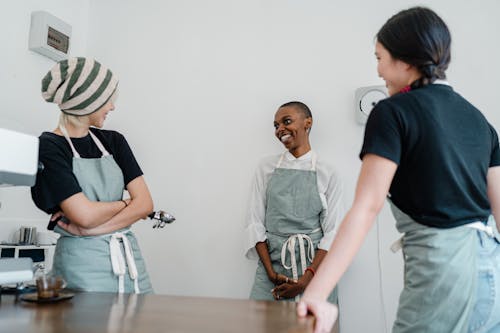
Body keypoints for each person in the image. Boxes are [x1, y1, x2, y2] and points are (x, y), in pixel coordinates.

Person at [297, 6, 500, 333]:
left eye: (380, 58)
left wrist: (316, 295)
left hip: (443, 275)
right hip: (492, 275)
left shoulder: (392, 113)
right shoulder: (478, 120)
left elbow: (366, 207)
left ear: (405, 61)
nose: (378, 71)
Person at [31, 57, 154, 294]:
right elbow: (84, 215)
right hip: (82, 268)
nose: (112, 107)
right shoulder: (50, 146)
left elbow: (146, 204)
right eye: (107, 100)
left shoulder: (114, 141)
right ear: (86, 101)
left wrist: (93, 230)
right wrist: (127, 204)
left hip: (130, 265)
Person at [245, 101, 343, 307]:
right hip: (271, 264)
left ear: (308, 123)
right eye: (276, 125)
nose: (280, 129)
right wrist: (271, 273)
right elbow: (254, 222)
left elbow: (333, 232)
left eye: (286, 121)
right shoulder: (266, 167)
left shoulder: (327, 171)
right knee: (260, 323)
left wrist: (306, 281)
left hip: (315, 268)